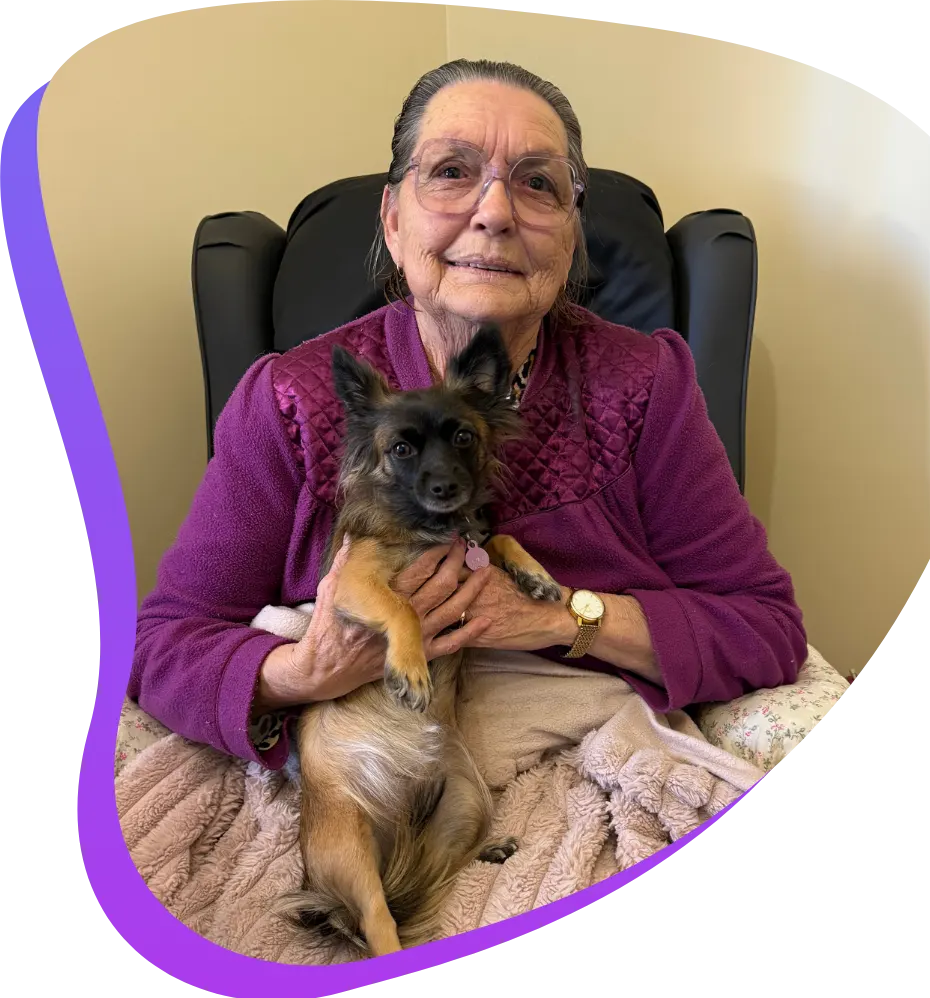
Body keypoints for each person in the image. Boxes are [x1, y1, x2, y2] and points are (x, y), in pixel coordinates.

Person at [129, 59, 808, 769]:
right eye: (451, 172)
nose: (495, 213)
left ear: (571, 234)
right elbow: (164, 646)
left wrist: (568, 617)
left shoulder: (644, 384)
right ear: (394, 220)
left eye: (538, 184)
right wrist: (307, 671)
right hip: (364, 756)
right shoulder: (289, 400)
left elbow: (763, 627)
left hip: (591, 748)